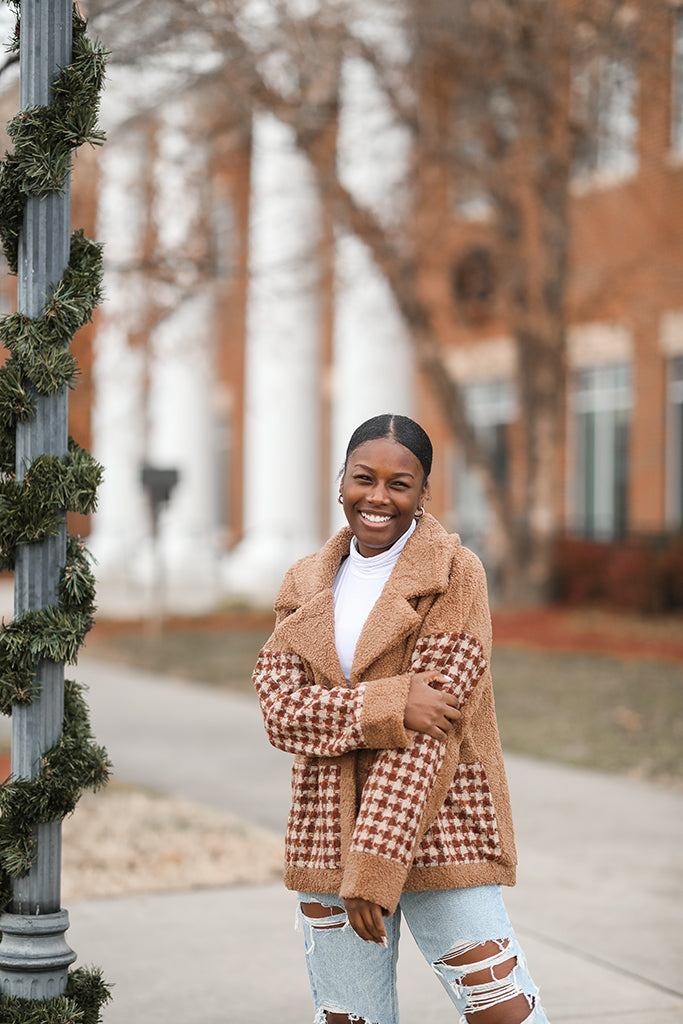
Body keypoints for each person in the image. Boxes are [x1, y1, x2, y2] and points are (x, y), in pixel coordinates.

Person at [252, 413, 550, 1024]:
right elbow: (280, 713)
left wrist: (375, 866)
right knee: (349, 1018)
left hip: (440, 820)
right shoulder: (304, 581)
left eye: (399, 484)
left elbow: (431, 728)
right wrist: (391, 702)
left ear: (423, 495)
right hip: (327, 828)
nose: (378, 497)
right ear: (341, 483)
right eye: (364, 478)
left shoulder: (454, 573)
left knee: (502, 1012)